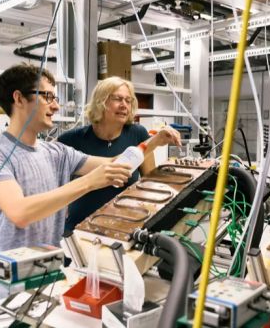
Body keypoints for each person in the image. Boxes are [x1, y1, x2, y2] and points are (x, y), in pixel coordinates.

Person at [0, 65, 176, 307]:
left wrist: (153, 142)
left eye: (56, 98)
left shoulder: (56, 151)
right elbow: (19, 212)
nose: (55, 106)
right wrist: (87, 183)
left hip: (41, 283)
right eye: (48, 97)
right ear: (19, 98)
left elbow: (117, 163)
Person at [58, 77, 181, 232]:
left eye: (128, 101)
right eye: (117, 99)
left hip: (124, 227)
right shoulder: (72, 139)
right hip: (79, 228)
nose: (124, 105)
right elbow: (55, 185)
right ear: (100, 102)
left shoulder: (138, 134)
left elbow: (149, 181)